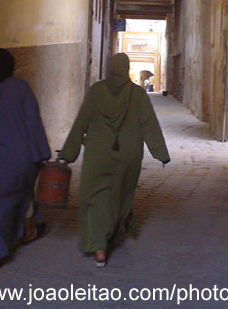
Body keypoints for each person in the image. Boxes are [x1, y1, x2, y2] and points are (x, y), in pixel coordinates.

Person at [59, 53, 170, 267]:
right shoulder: (137, 94)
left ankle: (98, 245)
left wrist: (68, 153)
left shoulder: (96, 91)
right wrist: (161, 153)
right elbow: (149, 125)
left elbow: (81, 122)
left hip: (97, 153)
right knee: (120, 195)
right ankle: (113, 234)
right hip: (128, 154)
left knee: (94, 196)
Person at [0, 49, 51, 271]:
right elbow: (32, 121)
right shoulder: (19, 87)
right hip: (19, 154)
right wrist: (43, 153)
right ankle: (28, 230)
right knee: (21, 195)